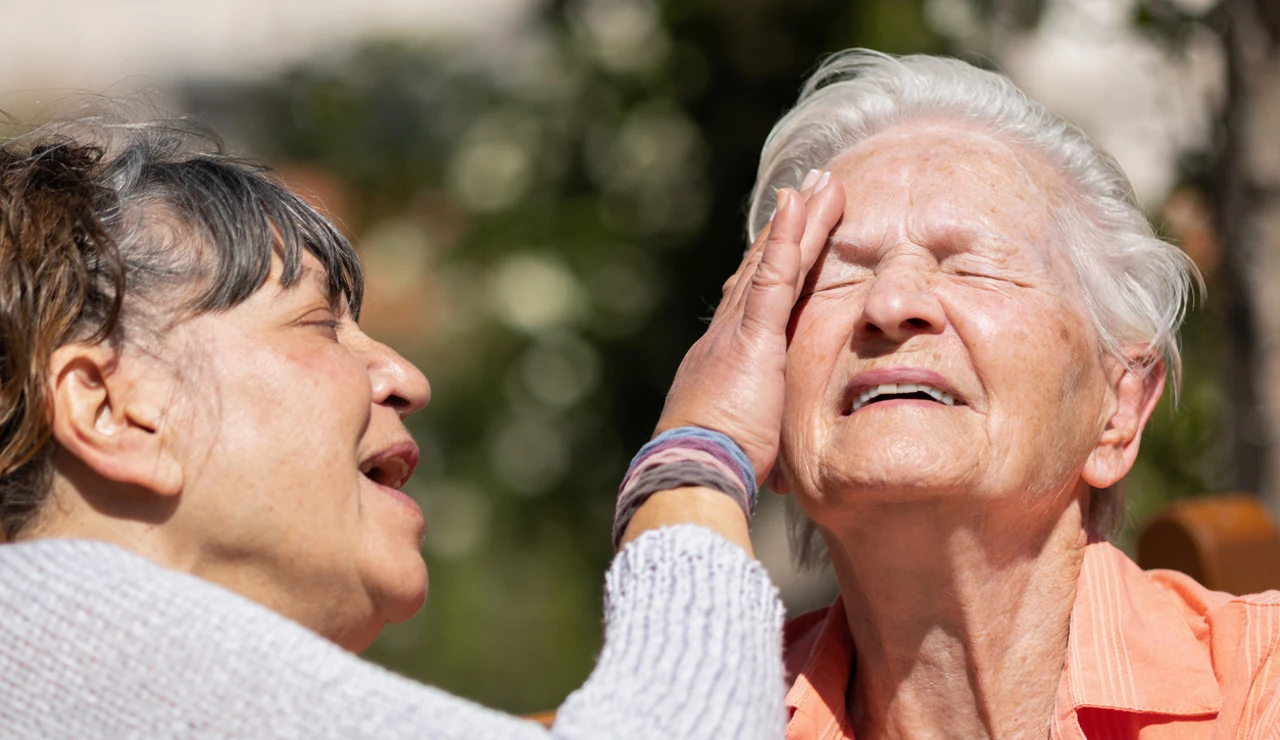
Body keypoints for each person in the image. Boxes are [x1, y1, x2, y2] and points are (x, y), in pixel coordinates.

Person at [0, 112, 838, 739]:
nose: (406, 378)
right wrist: (694, 457)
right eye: (318, 323)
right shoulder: (47, 638)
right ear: (109, 409)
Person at [709, 50, 1280, 739]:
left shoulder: (1259, 690)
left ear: (1119, 408)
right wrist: (697, 455)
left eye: (972, 265)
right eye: (837, 275)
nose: (890, 303)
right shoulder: (704, 721)